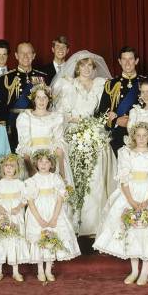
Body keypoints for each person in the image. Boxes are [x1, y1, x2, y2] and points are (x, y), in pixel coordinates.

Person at [93, 122, 148, 286]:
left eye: (145, 135)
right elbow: (123, 178)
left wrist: (147, 201)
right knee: (131, 230)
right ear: (133, 137)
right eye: (138, 135)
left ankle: (144, 271)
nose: (142, 139)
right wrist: (131, 201)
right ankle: (134, 270)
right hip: (130, 194)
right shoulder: (126, 153)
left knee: (147, 231)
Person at [51, 50, 116, 236]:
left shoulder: (101, 84)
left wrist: (96, 123)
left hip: (95, 134)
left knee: (95, 179)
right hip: (73, 135)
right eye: (83, 65)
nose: (86, 69)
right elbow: (59, 113)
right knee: (74, 179)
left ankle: (95, 226)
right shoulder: (66, 85)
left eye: (90, 65)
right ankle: (74, 224)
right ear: (77, 67)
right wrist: (78, 121)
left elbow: (107, 109)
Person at [24, 149, 81, 283]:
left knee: (52, 236)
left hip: (53, 210)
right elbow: (30, 202)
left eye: (47, 161)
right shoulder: (32, 180)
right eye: (40, 161)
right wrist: (39, 219)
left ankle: (49, 270)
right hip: (38, 212)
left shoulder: (56, 178)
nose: (43, 164)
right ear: (36, 164)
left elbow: (60, 199)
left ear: (51, 164)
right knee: (39, 238)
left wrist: (55, 218)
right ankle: (40, 270)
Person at [0, 154, 30, 282]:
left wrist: (18, 207)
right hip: (1, 213)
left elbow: (25, 198)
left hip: (14, 214)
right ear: (2, 168)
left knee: (14, 239)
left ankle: (15, 271)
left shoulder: (19, 183)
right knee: (0, 239)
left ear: (16, 168)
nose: (8, 168)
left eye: (12, 166)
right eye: (6, 166)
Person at [3, 42, 50, 150]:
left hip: (37, 124)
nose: (25, 56)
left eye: (29, 53)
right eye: (22, 53)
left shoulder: (43, 78)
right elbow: (2, 107)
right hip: (14, 124)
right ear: (16, 55)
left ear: (34, 55)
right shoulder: (6, 78)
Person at [15, 83, 67, 180]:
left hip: (50, 157)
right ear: (33, 99)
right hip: (32, 156)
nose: (41, 101)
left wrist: (61, 170)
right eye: (38, 97)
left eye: (44, 97)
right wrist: (31, 169)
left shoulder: (56, 117)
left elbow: (59, 144)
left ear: (49, 99)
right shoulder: (25, 118)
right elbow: (23, 146)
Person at [98, 47, 143, 155]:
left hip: (141, 135)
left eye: (131, 59)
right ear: (119, 61)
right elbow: (101, 112)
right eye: (124, 59)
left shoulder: (145, 82)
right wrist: (116, 121)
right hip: (117, 135)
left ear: (136, 61)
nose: (127, 63)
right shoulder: (111, 84)